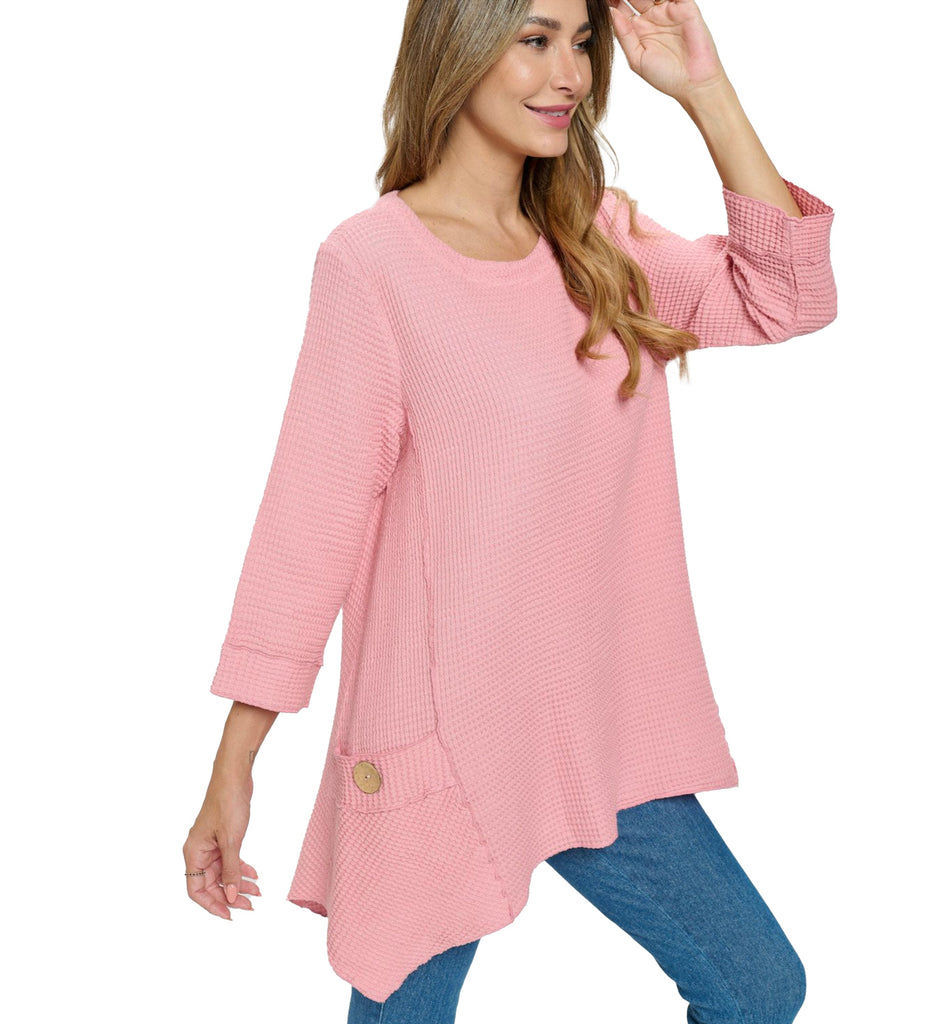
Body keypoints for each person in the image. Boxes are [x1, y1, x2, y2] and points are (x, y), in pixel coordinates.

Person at [183, 1, 837, 1021]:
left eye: (580, 42)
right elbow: (308, 525)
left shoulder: (599, 239)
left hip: (598, 726)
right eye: (534, 40)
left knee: (755, 985)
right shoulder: (373, 265)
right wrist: (235, 763)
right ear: (459, 47)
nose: (569, 73)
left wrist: (705, 91)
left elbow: (785, 297)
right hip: (444, 741)